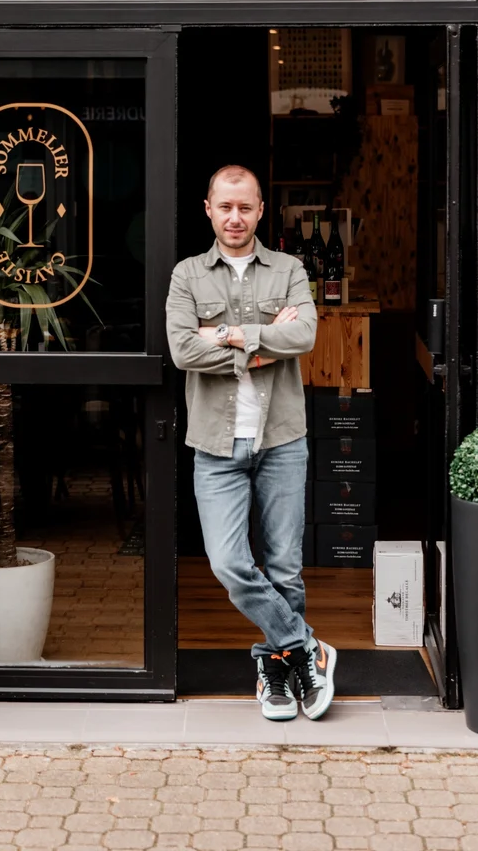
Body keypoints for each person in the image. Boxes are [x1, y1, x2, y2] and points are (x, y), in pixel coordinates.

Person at [166, 165, 336, 721]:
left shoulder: (288, 269)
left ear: (261, 210)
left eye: (245, 207)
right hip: (215, 446)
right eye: (225, 207)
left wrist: (229, 334)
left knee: (285, 566)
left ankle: (279, 670)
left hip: (281, 439)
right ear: (208, 209)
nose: (235, 217)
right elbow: (183, 352)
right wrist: (264, 341)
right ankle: (308, 647)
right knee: (229, 563)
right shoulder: (187, 275)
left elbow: (305, 335)